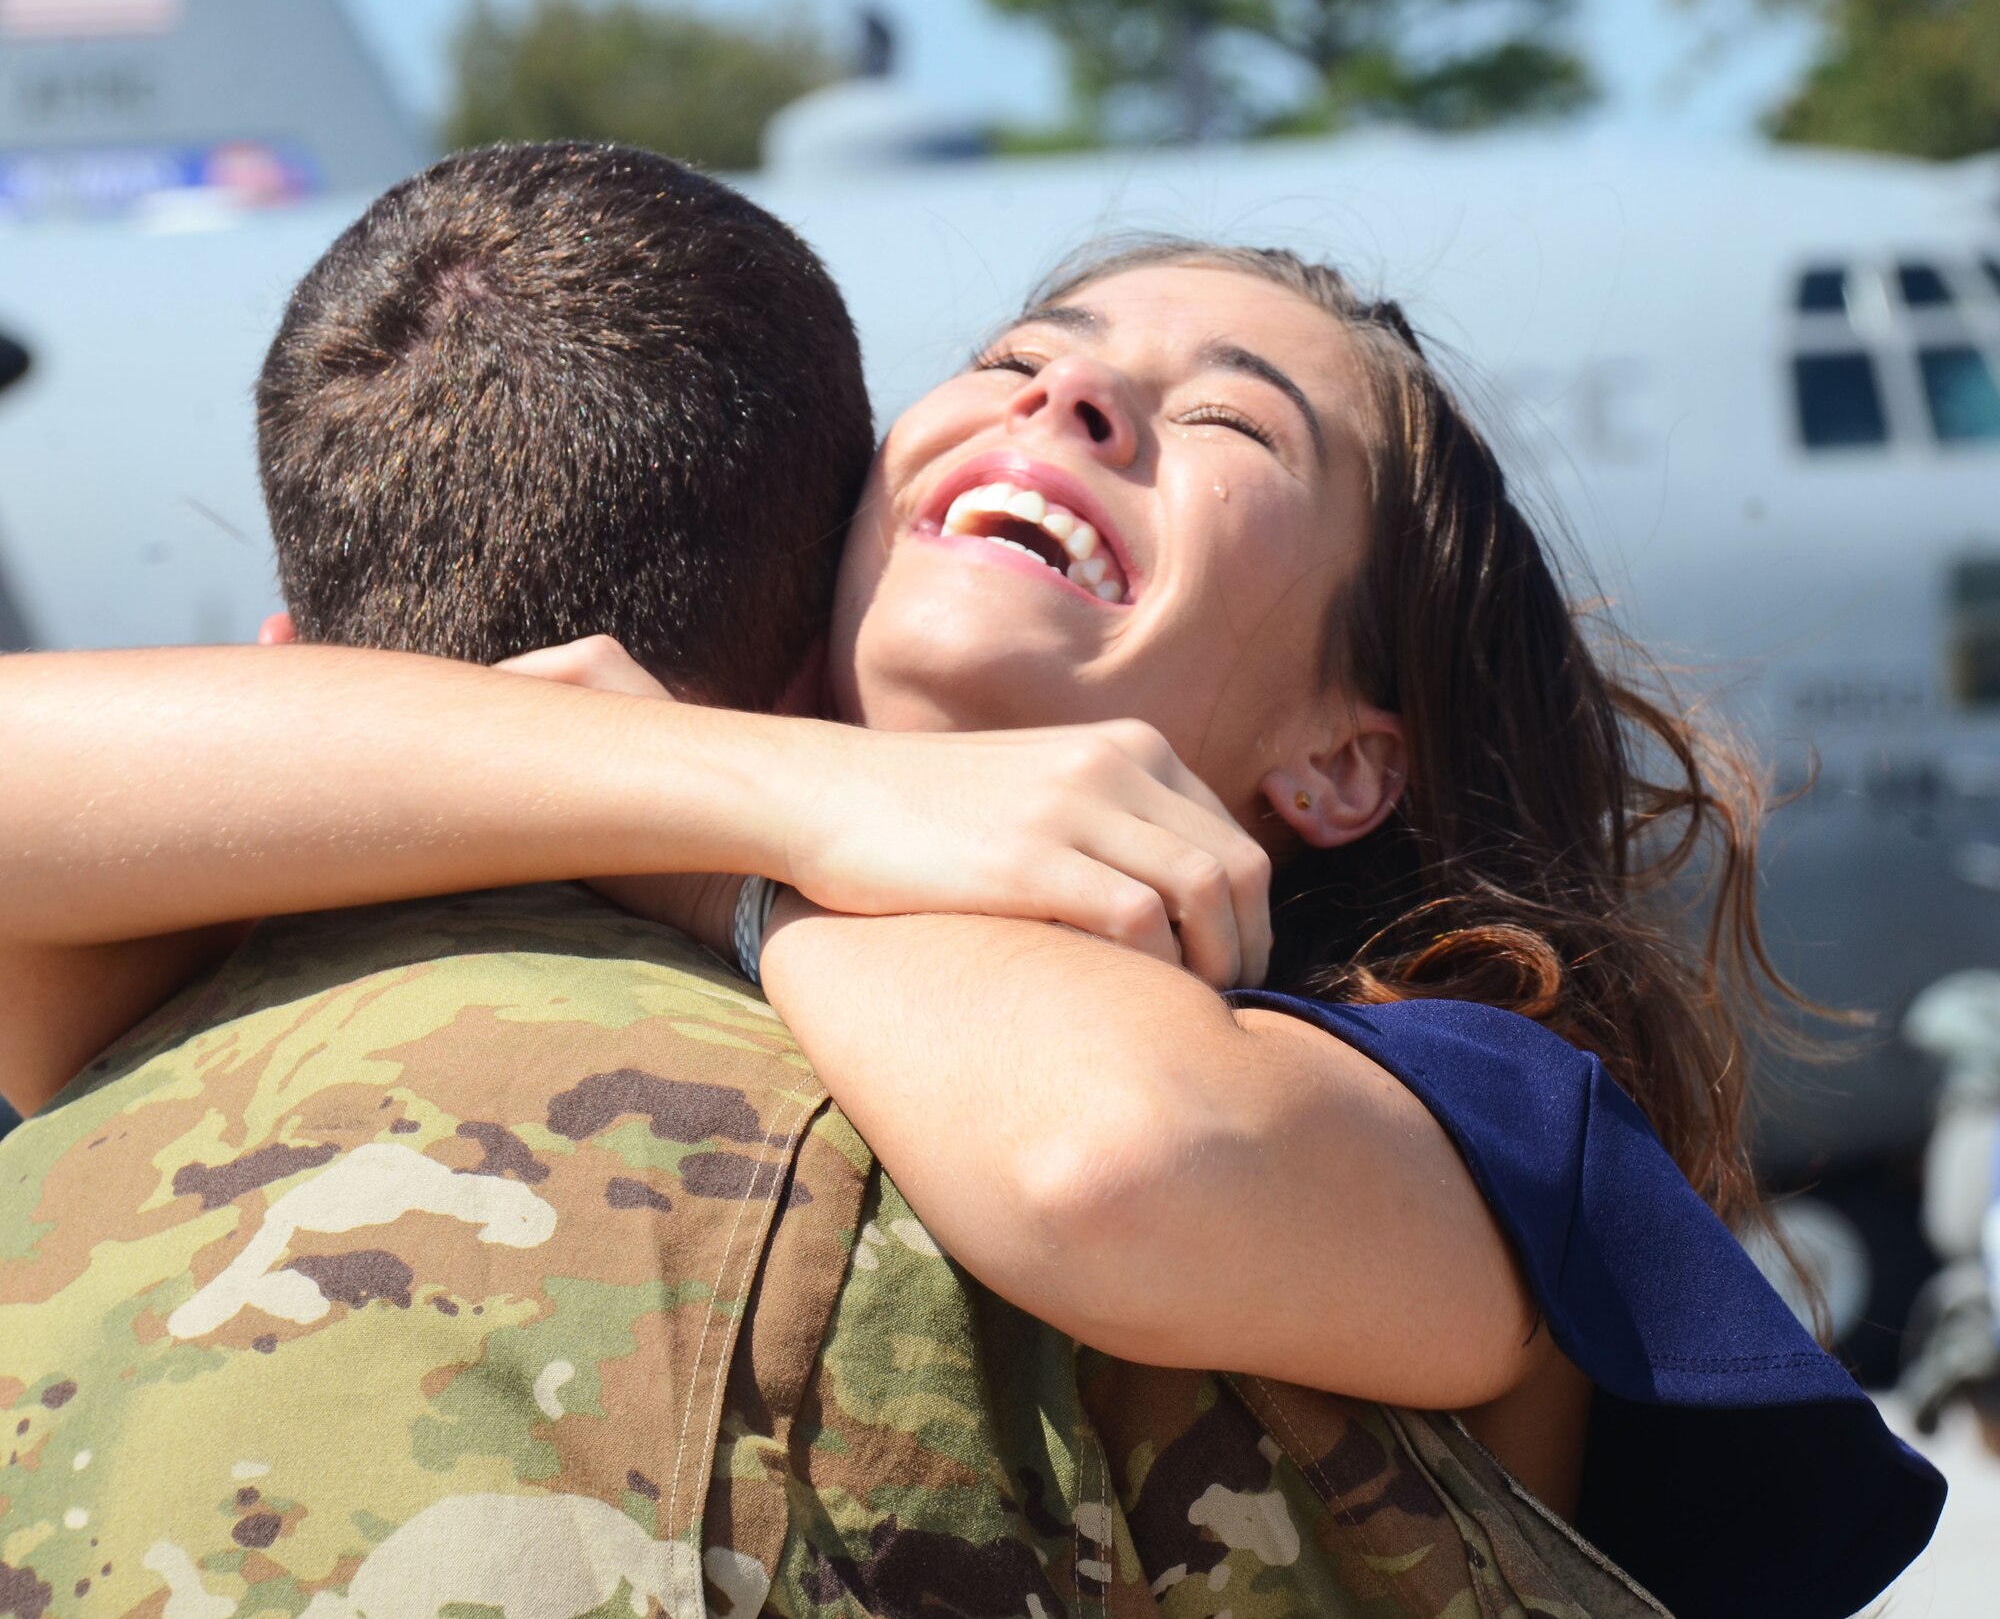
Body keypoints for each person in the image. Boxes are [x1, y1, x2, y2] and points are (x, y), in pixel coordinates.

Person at [0, 209, 1947, 1612]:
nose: (1077, 388)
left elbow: (1122, 1153)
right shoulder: (690, 879)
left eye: (1239, 424)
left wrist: (722, 858)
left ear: (1347, 757)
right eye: (1017, 356)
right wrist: (763, 783)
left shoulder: (1465, 1111)